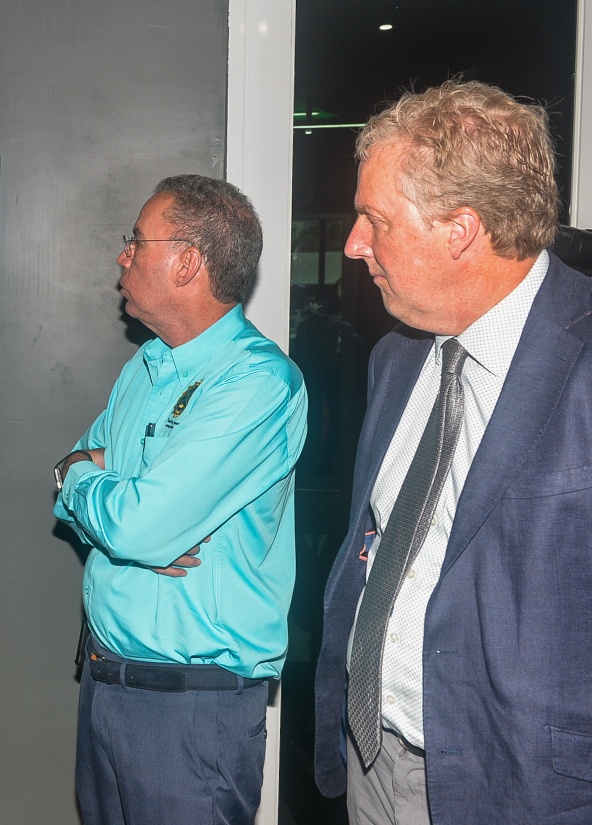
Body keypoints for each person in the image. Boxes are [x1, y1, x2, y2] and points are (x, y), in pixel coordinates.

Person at [314, 80, 592, 824]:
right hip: (374, 756)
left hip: (522, 786)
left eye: (375, 219)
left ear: (461, 230)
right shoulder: (397, 358)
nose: (353, 243)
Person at [52, 174, 307, 824]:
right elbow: (75, 487)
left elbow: (135, 524)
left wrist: (97, 488)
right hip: (106, 685)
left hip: (192, 709)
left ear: (187, 261)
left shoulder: (255, 382)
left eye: (137, 240)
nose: (123, 254)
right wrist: (95, 488)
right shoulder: (144, 366)